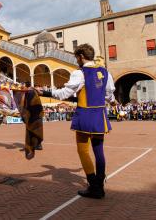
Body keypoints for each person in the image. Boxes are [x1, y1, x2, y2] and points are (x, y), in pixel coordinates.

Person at [37, 44, 115, 199]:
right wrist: (111, 101)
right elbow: (108, 95)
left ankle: (93, 186)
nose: (76, 60)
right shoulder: (105, 72)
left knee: (83, 150)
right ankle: (99, 185)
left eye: (76, 57)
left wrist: (44, 91)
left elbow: (64, 93)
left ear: (80, 56)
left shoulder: (80, 73)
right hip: (100, 115)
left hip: (85, 115)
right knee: (99, 151)